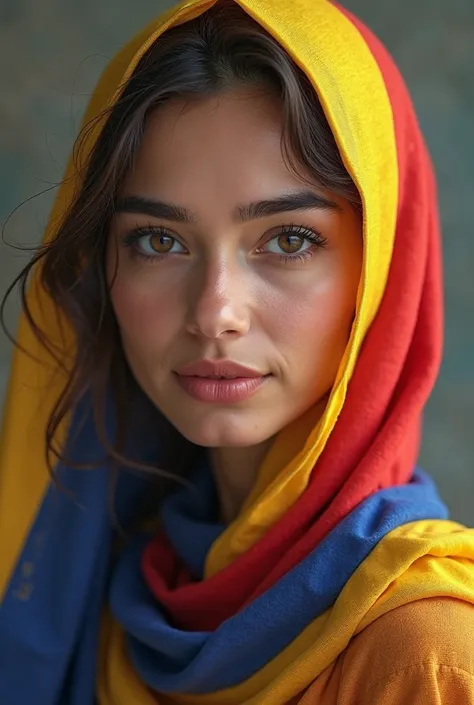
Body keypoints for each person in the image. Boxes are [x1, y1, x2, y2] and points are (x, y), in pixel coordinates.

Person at [0, 0, 473, 703]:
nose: (215, 312)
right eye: (158, 240)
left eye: (288, 239)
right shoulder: (97, 599)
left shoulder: (425, 654)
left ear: (381, 277)